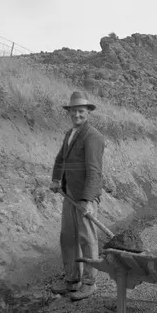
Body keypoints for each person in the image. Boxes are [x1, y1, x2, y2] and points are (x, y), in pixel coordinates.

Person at [49, 91, 106, 301]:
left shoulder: (93, 136)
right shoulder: (70, 133)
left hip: (84, 198)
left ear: (88, 112)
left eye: (81, 111)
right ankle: (72, 280)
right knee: (68, 238)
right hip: (69, 194)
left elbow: (94, 171)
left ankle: (90, 283)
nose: (77, 116)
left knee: (87, 239)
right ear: (69, 113)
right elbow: (60, 159)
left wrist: (88, 200)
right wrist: (56, 180)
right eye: (74, 112)